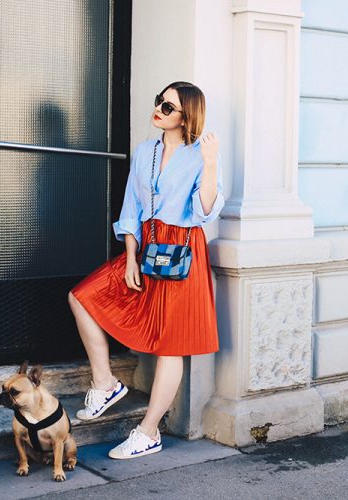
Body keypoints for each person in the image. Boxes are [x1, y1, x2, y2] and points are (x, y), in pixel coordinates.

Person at [68, 81, 224, 459]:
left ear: (187, 116)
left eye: (169, 107)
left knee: (171, 346)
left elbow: (204, 211)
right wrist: (132, 257)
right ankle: (105, 383)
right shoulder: (145, 151)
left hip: (182, 251)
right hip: (147, 245)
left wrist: (211, 163)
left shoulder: (198, 155)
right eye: (159, 102)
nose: (159, 109)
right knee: (83, 296)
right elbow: (131, 210)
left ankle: (149, 431)